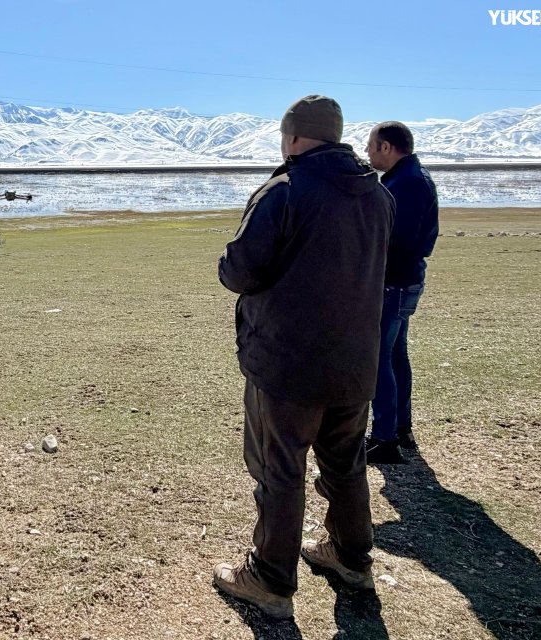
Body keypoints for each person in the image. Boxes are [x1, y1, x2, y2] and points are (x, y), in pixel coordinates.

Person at [214, 95, 394, 619]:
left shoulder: (285, 190)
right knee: (345, 462)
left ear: (293, 137)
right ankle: (352, 558)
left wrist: (228, 260)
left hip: (289, 364)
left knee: (280, 469)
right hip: (355, 360)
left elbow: (239, 272)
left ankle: (270, 580)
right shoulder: (376, 194)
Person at [363, 121, 440, 464]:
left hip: (393, 282)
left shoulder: (405, 184)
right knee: (394, 354)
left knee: (380, 357)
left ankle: (385, 437)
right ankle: (400, 426)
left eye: (371, 145)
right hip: (403, 280)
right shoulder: (407, 179)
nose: (367, 152)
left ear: (387, 147)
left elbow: (399, 240)